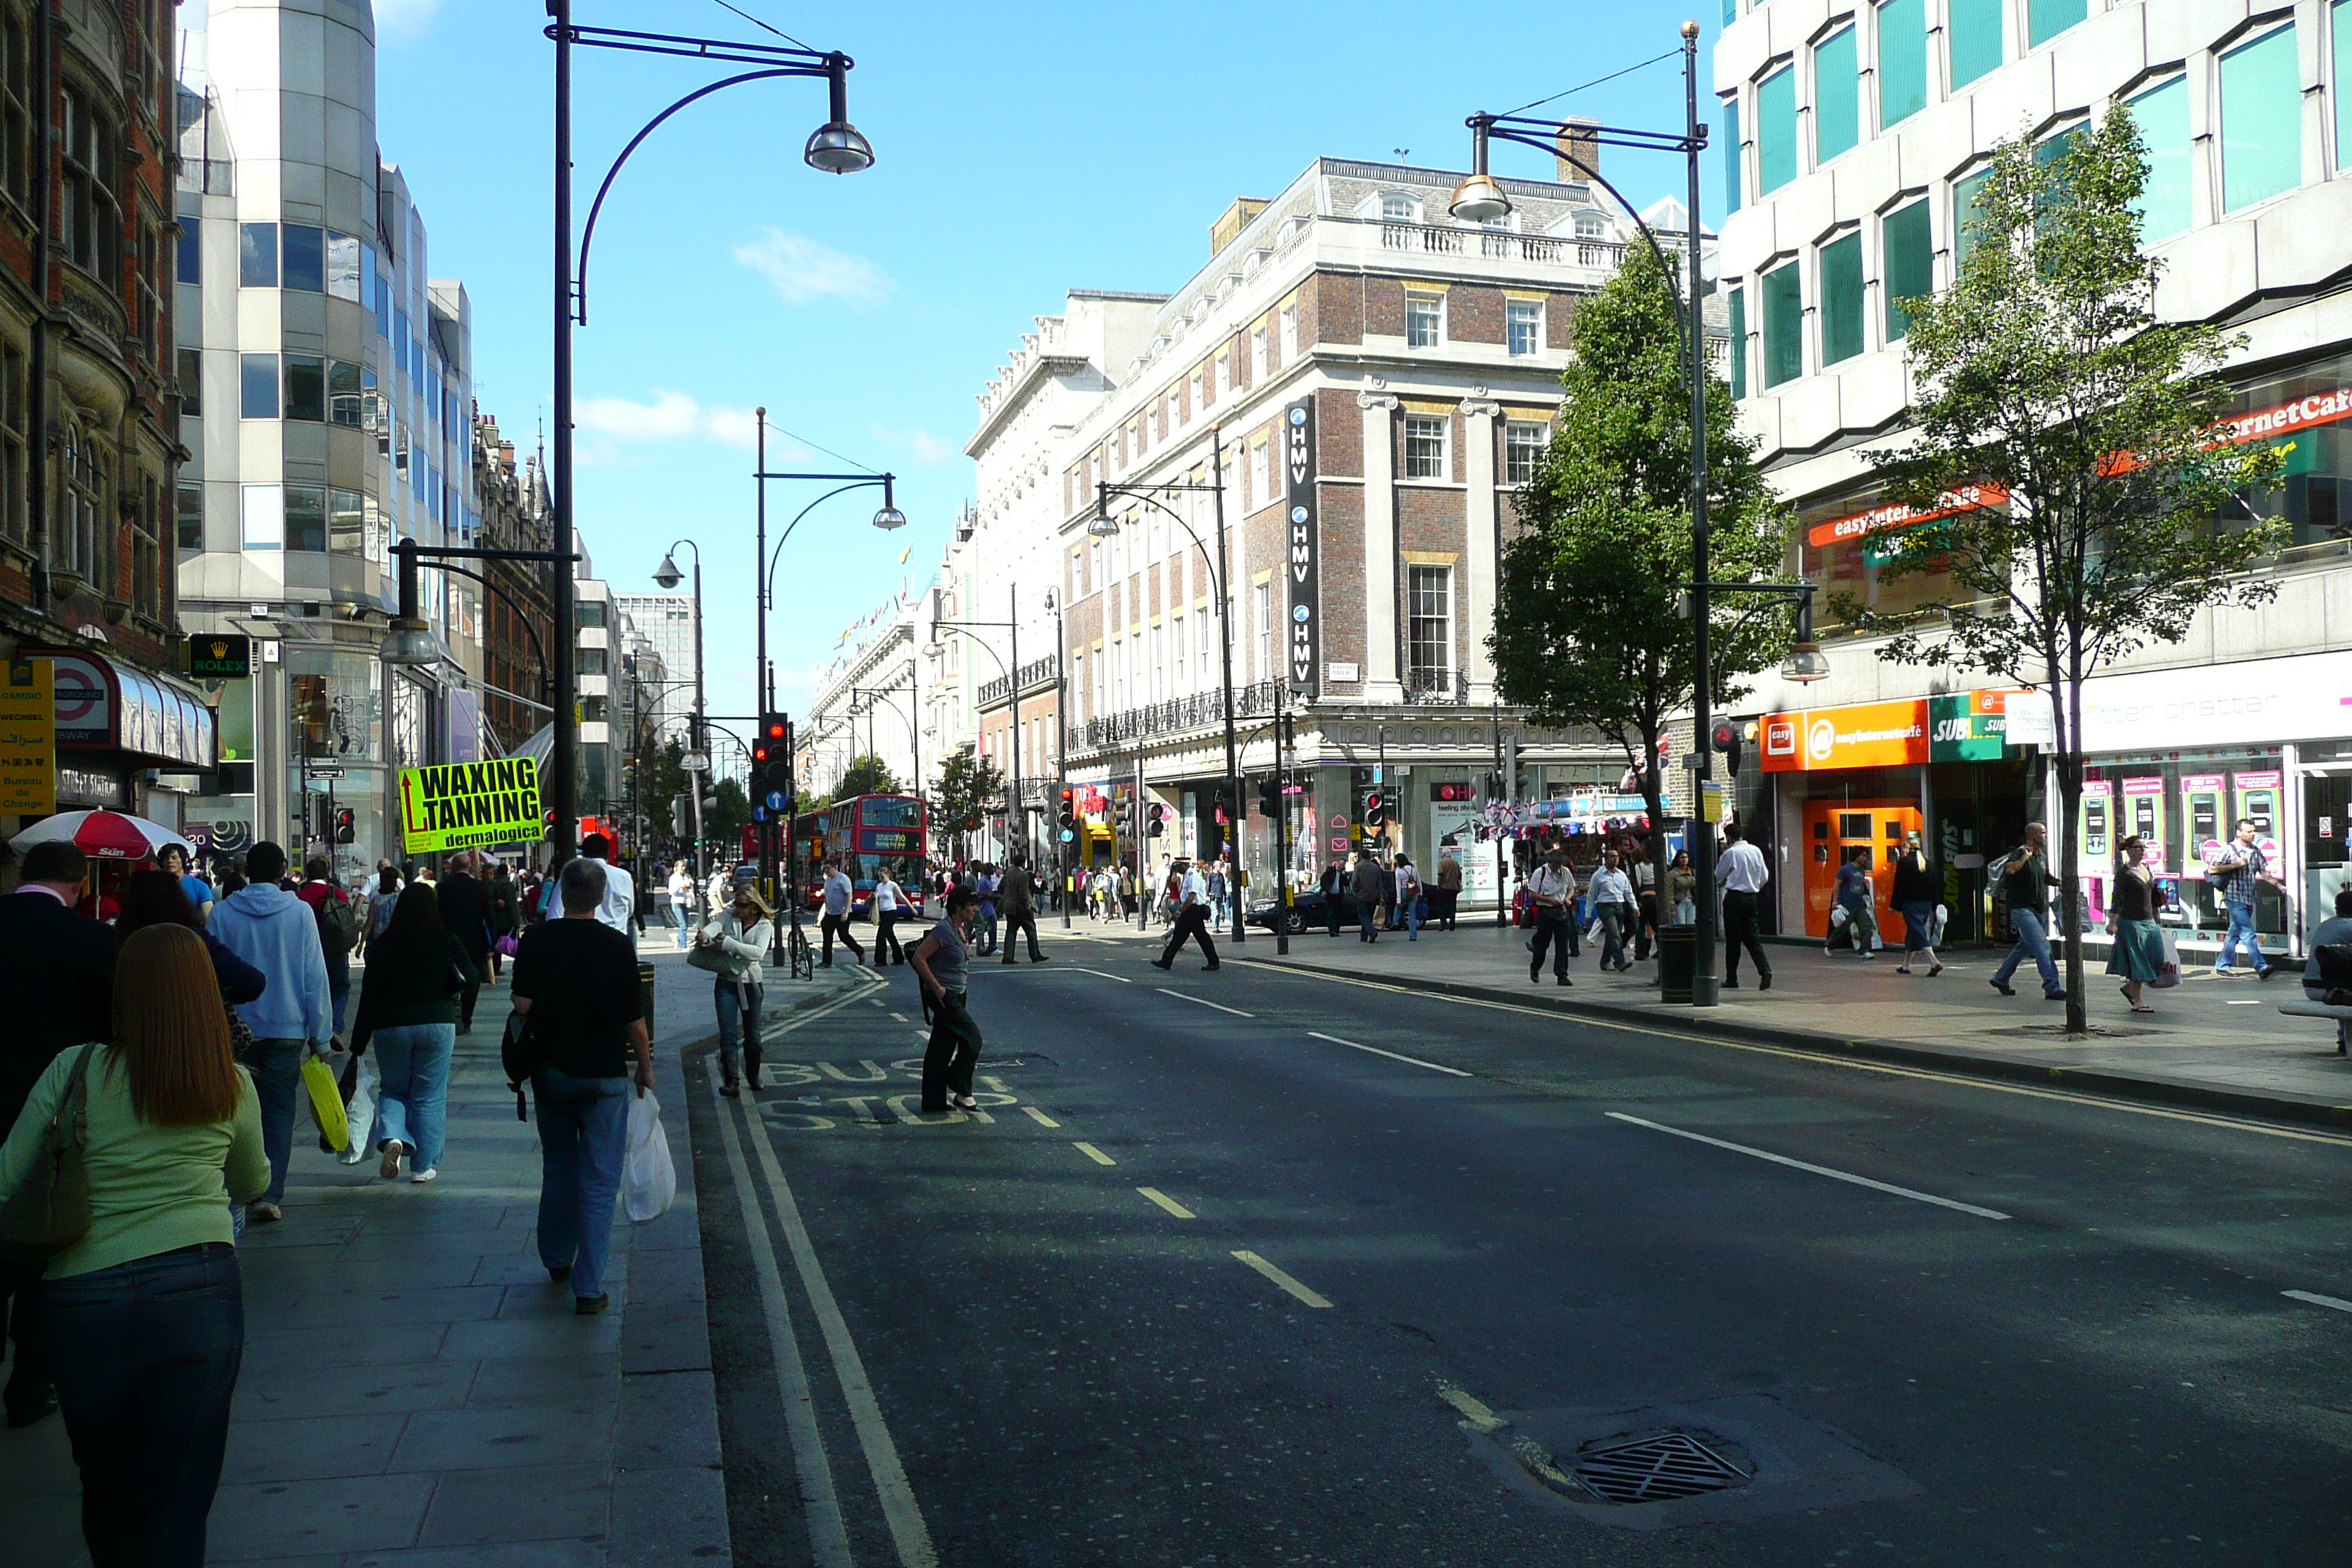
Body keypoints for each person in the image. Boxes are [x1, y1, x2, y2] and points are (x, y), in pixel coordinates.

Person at [0, 925, 267, 1567]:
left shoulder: (76, 1068)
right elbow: (253, 1182)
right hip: (198, 1294)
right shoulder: (228, 1082)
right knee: (180, 1490)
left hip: (82, 1297)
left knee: (105, 1478)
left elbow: (9, 1175)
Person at [0, 840, 120, 1430]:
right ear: (78, 885)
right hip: (60, 1116)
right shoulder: (94, 941)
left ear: (23, 875)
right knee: (47, 1242)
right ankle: (30, 1381)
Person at [510, 856, 652, 1315]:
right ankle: (590, 1289)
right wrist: (645, 1066)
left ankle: (556, 1258)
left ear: (561, 894)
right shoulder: (616, 945)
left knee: (559, 1167)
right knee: (598, 1182)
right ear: (602, 896)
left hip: (552, 1072)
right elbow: (634, 1020)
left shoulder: (536, 940)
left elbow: (522, 1001)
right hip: (606, 1074)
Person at [206, 841, 333, 1223]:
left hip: (237, 1030)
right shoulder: (300, 913)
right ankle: (268, 1192)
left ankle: (237, 1188)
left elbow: (210, 974)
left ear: (247, 870)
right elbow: (314, 976)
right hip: (287, 1027)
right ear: (282, 871)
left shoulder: (223, 914)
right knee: (279, 1112)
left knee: (238, 1112)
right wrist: (321, 1035)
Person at [350, 883, 473, 1183]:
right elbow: (472, 976)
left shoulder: (382, 945)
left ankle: (393, 1136)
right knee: (429, 1096)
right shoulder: (445, 939)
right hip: (437, 1023)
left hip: (391, 1025)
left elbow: (369, 996)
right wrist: (457, 1007)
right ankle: (423, 1165)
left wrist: (358, 1042)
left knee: (393, 1089)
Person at [113, 870, 268, 1011]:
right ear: (178, 900)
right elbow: (253, 982)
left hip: (135, 1029)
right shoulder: (196, 939)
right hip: (191, 1028)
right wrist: (215, 997)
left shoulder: (120, 941)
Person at [911, 886, 983, 1115]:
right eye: (970, 905)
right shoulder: (943, 930)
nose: (974, 909)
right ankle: (957, 1081)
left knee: (942, 1046)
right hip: (945, 995)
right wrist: (938, 989)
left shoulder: (960, 929)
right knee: (973, 1038)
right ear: (958, 907)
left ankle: (933, 1101)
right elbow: (919, 957)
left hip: (958, 993)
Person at [698, 885, 774, 1097]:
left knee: (753, 1034)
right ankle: (731, 1081)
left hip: (752, 983)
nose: (737, 909)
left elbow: (758, 953)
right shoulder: (730, 915)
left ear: (754, 906)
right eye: (736, 904)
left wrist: (728, 944)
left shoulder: (765, 925)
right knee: (728, 1033)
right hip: (727, 981)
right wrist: (706, 935)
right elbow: (716, 925)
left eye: (743, 905)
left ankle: (753, 1075)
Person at [1988, 822, 2064, 1000]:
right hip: (2022, 908)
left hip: (2037, 909)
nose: (2045, 836)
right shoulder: (2019, 853)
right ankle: (2052, 987)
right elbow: (2011, 870)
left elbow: (2044, 877)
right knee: (2042, 946)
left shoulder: (2041, 856)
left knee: (2023, 947)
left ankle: (2001, 978)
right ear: (2032, 835)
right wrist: (2025, 858)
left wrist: (2060, 883)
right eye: (2043, 833)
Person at [2210, 818, 2283, 979]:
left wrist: (2278, 885)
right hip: (2234, 898)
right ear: (2239, 833)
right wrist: (2234, 865)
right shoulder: (2228, 850)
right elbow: (2212, 869)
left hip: (2249, 897)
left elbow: (2263, 872)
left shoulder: (2255, 851)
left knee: (2234, 934)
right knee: (2248, 933)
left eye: (2254, 831)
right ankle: (2260, 966)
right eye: (2249, 831)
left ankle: (2222, 964)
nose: (2253, 834)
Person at [294, 855, 358, 1037]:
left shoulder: (300, 896)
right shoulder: (337, 893)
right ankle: (335, 1027)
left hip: (310, 951)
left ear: (307, 873)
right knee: (340, 989)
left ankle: (316, 1029)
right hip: (336, 950)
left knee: (314, 990)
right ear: (326, 873)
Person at [432, 853, 494, 1035]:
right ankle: (466, 1018)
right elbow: (489, 917)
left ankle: (450, 1013)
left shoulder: (442, 888)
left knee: (446, 976)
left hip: (448, 941)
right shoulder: (480, 887)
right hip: (474, 941)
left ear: (452, 868)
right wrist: (491, 945)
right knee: (473, 979)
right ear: (469, 867)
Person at [2103, 835, 2166, 1014]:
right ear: (2129, 850)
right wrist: (2113, 922)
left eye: (2144, 848)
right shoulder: (2124, 873)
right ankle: (2138, 1001)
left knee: (2157, 957)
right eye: (2139, 847)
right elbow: (2116, 898)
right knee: (2137, 961)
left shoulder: (2146, 868)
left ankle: (2129, 989)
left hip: (2149, 920)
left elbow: (2151, 894)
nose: (2143, 851)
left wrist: (2156, 916)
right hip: (2131, 921)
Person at [1716, 823, 1774, 991]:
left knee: (1733, 940)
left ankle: (1732, 978)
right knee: (1753, 938)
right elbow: (1764, 876)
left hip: (1734, 897)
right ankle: (1765, 970)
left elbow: (1718, 875)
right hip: (1751, 898)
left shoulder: (1731, 853)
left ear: (1729, 837)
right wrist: (1753, 887)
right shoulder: (1756, 850)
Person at [1890, 833, 1943, 976]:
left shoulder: (1904, 863)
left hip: (1910, 903)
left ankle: (1934, 961)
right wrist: (1935, 904)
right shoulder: (1928, 863)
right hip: (1925, 903)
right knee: (1913, 932)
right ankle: (1906, 965)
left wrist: (1894, 905)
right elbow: (1934, 887)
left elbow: (1899, 885)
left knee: (1918, 930)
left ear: (1907, 848)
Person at [1153, 859, 1221, 971]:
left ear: (1184, 865)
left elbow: (1192, 895)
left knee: (1188, 937)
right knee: (1190, 937)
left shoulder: (1192, 875)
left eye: (1179, 866)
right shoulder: (1187, 875)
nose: (1177, 869)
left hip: (1192, 910)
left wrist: (1180, 911)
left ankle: (1166, 961)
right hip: (1191, 911)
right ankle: (1166, 961)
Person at [1525, 849, 1577, 986]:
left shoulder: (1566, 872)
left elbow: (1571, 888)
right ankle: (1535, 968)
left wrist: (1567, 898)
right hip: (1546, 912)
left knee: (1562, 946)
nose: (1557, 867)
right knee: (1542, 945)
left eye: (1559, 865)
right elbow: (1533, 894)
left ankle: (1562, 975)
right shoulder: (1540, 873)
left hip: (1562, 912)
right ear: (1550, 862)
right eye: (1555, 865)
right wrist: (1550, 901)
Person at [579, 832, 636, 936]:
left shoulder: (575, 876)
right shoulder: (624, 876)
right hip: (617, 939)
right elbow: (630, 910)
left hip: (587, 938)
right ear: (607, 853)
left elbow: (555, 913)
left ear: (583, 853)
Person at [1588, 851, 1635, 971]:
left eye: (1617, 857)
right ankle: (1620, 961)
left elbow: (1628, 892)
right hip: (1605, 907)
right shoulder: (1598, 876)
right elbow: (1591, 895)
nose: (1615, 859)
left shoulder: (1621, 875)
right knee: (1614, 934)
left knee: (1612, 935)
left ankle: (1605, 962)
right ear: (1606, 859)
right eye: (1612, 857)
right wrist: (1588, 914)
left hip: (1619, 906)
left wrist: (1634, 906)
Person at [998, 856, 1047, 964]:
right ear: (1023, 863)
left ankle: (1008, 956)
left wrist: (1007, 897)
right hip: (1021, 907)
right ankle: (1035, 955)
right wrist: (1027, 906)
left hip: (1009, 907)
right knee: (1031, 930)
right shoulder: (1023, 875)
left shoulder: (1008, 874)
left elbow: (1000, 888)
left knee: (1011, 931)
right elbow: (1024, 893)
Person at [1833, 847, 1880, 960]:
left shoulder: (1861, 871)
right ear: (1857, 856)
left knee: (1867, 926)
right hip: (1847, 904)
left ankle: (1864, 950)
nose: (1865, 858)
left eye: (1866, 856)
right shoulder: (1845, 870)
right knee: (1843, 928)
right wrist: (1835, 901)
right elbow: (1837, 885)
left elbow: (1861, 886)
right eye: (1863, 855)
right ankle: (1830, 945)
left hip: (1859, 903)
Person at [818, 860, 866, 968]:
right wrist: (824, 911)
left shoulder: (843, 879)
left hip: (842, 913)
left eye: (828, 868)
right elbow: (827, 896)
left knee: (844, 936)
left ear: (835, 867)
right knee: (827, 938)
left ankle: (860, 951)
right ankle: (826, 961)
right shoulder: (828, 880)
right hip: (830, 913)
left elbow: (849, 895)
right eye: (825, 868)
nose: (826, 871)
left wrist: (846, 912)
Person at [157, 843, 214, 926]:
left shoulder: (200, 886)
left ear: (184, 860)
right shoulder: (155, 885)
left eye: (174, 858)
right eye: (166, 858)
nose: (170, 861)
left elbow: (209, 917)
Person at [486, 860, 521, 979]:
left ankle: (494, 968)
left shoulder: (492, 884)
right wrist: (517, 921)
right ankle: (499, 967)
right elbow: (512, 905)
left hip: (494, 919)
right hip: (506, 920)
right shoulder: (507, 885)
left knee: (495, 944)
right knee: (506, 944)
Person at [363, 864, 404, 952]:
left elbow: (369, 924)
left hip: (380, 942)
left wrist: (361, 944)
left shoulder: (375, 901)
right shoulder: (401, 898)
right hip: (397, 941)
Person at [1349, 852, 1387, 943]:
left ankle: (1371, 931)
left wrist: (1355, 890)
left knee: (1363, 915)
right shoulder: (1376, 867)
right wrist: (1381, 894)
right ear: (1370, 857)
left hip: (1361, 895)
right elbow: (1380, 883)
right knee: (1369, 916)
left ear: (1361, 857)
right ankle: (1364, 937)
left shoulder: (1359, 866)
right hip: (1373, 895)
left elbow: (1354, 880)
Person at [872, 867, 907, 966]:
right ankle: (899, 958)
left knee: (881, 936)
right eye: (879, 876)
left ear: (888, 875)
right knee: (890, 936)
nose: (881, 878)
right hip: (882, 913)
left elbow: (902, 897)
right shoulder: (879, 886)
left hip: (891, 912)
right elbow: (877, 898)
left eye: (882, 876)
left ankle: (881, 961)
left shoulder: (893, 885)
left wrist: (912, 909)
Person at [1393, 853, 1425, 941]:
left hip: (1404, 890)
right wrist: (1420, 893)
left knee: (1399, 907)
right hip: (1413, 891)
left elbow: (1398, 885)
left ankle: (1394, 922)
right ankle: (1413, 935)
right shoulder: (1413, 868)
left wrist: (1398, 900)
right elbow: (1418, 880)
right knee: (1412, 914)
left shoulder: (1399, 870)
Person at [665, 862, 694, 951]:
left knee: (685, 924)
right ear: (677, 868)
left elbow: (691, 888)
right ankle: (683, 946)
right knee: (683, 925)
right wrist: (679, 886)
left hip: (686, 901)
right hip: (677, 902)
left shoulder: (687, 876)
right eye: (682, 866)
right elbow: (671, 892)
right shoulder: (673, 878)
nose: (684, 868)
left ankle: (678, 939)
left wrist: (689, 887)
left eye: (685, 866)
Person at [1667, 848, 1697, 926]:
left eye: (1686, 857)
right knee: (1680, 925)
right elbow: (1670, 891)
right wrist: (1672, 908)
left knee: (1691, 926)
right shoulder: (1673, 874)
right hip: (1679, 903)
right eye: (1682, 858)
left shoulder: (1693, 872)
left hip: (1691, 902)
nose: (1684, 860)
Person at [1434, 851, 1463, 931]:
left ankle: (1444, 924)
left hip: (1444, 887)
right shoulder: (1456, 863)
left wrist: (1439, 885)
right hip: (1454, 887)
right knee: (1452, 906)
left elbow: (1440, 875)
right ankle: (1452, 924)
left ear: (1443, 854)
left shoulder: (1441, 863)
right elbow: (1460, 875)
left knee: (1441, 906)